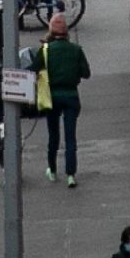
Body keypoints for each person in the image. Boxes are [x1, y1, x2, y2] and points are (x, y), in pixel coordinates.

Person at [32, 12, 91, 186]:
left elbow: (33, 70)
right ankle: (71, 175)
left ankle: (52, 169)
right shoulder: (76, 50)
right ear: (66, 32)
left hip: (52, 98)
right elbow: (86, 73)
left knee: (53, 135)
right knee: (70, 138)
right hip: (71, 97)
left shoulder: (45, 51)